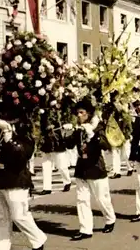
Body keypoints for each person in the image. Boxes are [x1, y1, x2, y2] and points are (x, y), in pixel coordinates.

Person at [0, 103, 47, 250]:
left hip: (16, 180)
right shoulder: (0, 134)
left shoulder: (25, 138)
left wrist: (10, 141)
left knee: (19, 216)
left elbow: (20, 156)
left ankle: (38, 238)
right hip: (0, 179)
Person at [65, 98, 116, 240]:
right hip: (82, 169)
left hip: (96, 168)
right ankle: (86, 229)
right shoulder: (79, 129)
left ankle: (110, 218)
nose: (79, 115)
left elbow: (105, 145)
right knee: (82, 199)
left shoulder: (98, 127)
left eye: (82, 113)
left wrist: (92, 135)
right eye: (77, 113)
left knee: (101, 199)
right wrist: (66, 132)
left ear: (88, 114)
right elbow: (68, 145)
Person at [39, 110, 72, 195]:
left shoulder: (59, 113)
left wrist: (66, 125)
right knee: (45, 166)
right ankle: (47, 188)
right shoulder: (42, 114)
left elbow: (66, 121)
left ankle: (67, 182)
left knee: (62, 166)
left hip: (57, 143)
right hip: (46, 143)